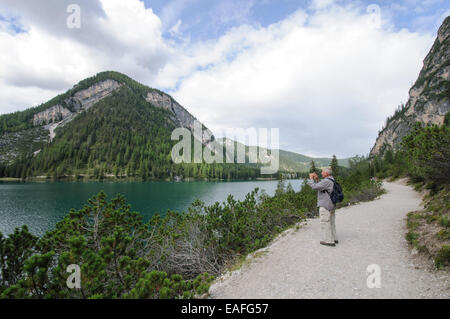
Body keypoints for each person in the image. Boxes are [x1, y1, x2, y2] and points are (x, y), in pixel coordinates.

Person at [307, 167, 338, 247]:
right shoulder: (331, 180)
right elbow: (321, 186)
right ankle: (334, 238)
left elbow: (314, 187)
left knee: (325, 222)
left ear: (326, 173)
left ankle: (329, 241)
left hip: (325, 205)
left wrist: (311, 179)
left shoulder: (327, 181)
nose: (321, 173)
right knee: (331, 222)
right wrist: (317, 179)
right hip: (331, 205)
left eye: (322, 172)